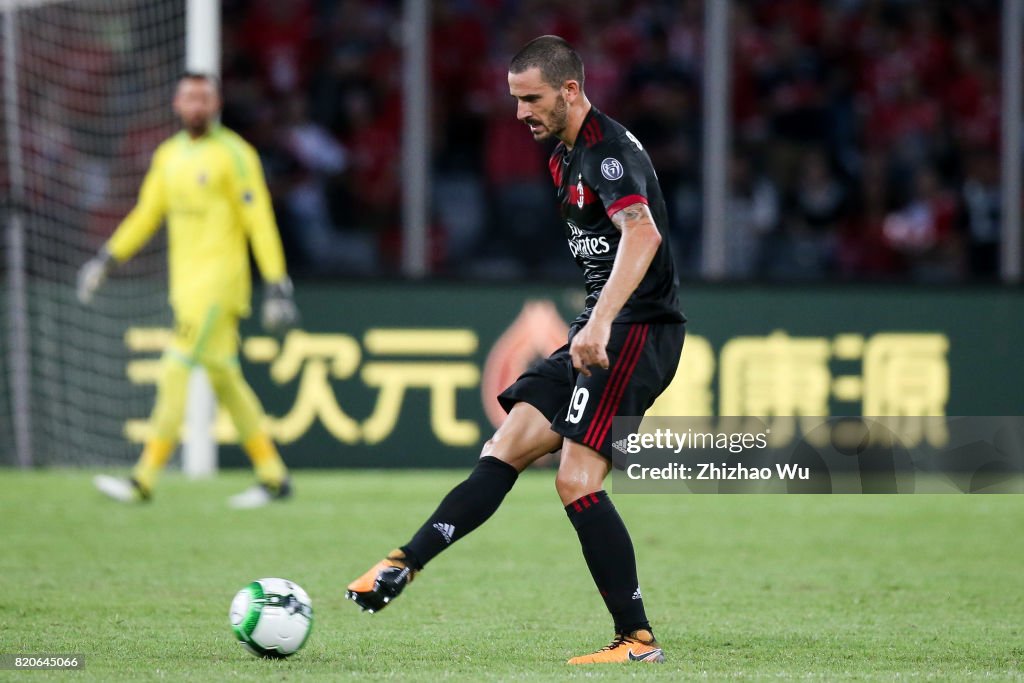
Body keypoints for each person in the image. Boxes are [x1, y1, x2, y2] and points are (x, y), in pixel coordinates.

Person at [346, 36, 686, 665]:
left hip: (636, 330)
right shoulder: (563, 158)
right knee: (509, 442)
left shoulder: (607, 153)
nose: (520, 112)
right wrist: (592, 321)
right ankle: (402, 564)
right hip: (602, 325)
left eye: (531, 98)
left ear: (571, 91)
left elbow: (642, 236)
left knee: (575, 477)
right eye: (515, 99)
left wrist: (599, 324)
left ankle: (637, 640)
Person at [78, 72, 299, 509]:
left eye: (204, 97)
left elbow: (259, 220)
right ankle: (274, 476)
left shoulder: (235, 155)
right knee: (225, 378)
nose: (196, 104)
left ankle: (143, 479)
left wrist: (276, 282)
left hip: (219, 285)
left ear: (216, 104)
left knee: (176, 368)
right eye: (189, 97)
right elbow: (146, 214)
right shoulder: (169, 156)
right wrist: (107, 258)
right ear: (177, 105)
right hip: (184, 286)